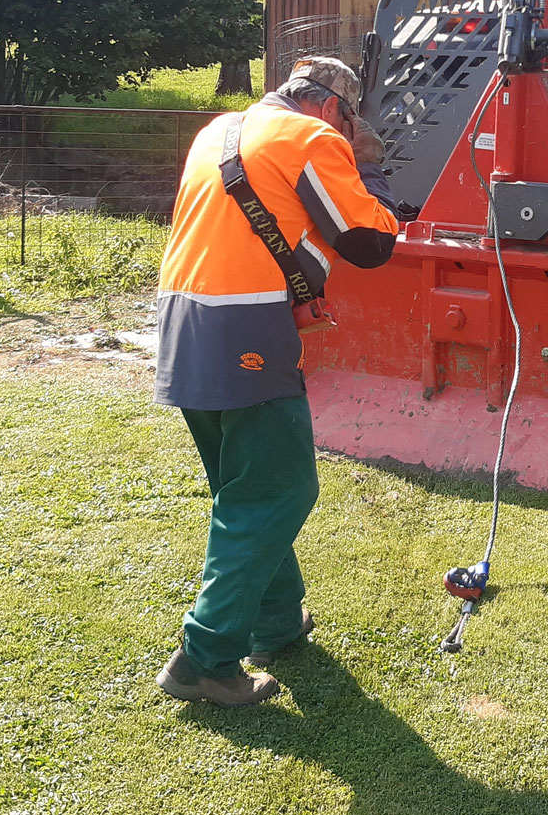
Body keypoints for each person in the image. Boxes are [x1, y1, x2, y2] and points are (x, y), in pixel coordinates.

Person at [152, 56, 400, 706]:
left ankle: (277, 618)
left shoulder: (218, 131)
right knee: (279, 489)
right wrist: (371, 170)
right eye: (351, 120)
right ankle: (202, 659)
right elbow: (370, 242)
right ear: (330, 108)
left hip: (182, 324)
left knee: (244, 488)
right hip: (247, 329)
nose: (349, 133)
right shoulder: (312, 138)